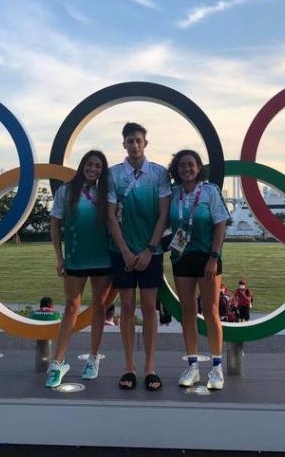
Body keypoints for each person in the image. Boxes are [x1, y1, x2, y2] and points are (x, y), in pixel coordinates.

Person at [107, 122, 170, 391]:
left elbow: (163, 214)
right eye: (130, 141)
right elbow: (109, 215)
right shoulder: (112, 174)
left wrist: (149, 249)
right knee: (127, 307)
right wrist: (124, 250)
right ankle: (130, 367)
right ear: (124, 144)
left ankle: (150, 367)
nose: (134, 145)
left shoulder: (159, 173)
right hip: (121, 251)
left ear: (146, 143)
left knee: (149, 307)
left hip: (150, 252)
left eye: (138, 140)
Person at [46, 150, 115, 388]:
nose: (93, 169)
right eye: (90, 164)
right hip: (75, 259)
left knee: (99, 307)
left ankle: (93, 358)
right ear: (82, 165)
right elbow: (55, 224)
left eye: (98, 166)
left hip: (102, 259)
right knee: (71, 308)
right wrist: (59, 257)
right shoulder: (66, 191)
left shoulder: (107, 192)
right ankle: (57, 362)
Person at [167, 149, 229, 390]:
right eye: (182, 165)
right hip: (181, 257)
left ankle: (216, 368)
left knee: (211, 311)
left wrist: (214, 257)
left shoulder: (210, 191)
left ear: (198, 167)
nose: (187, 169)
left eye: (191, 164)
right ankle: (193, 366)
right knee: (187, 313)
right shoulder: (172, 194)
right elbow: (163, 219)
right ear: (177, 169)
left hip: (207, 258)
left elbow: (220, 224)